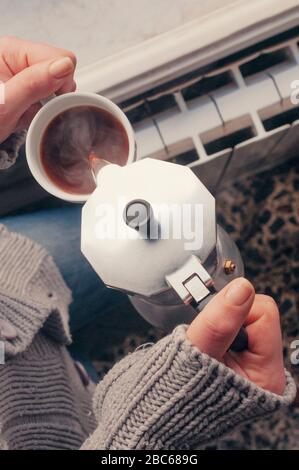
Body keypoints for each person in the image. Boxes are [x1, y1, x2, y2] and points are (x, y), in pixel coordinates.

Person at [0, 36, 296, 450]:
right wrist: (147, 432)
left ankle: (70, 355)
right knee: (81, 390)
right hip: (46, 423)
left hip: (9, 287)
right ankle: (78, 369)